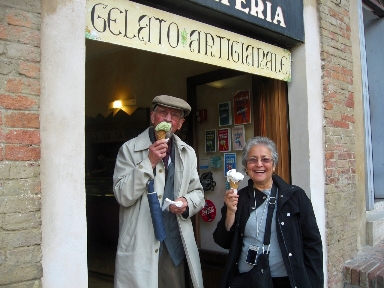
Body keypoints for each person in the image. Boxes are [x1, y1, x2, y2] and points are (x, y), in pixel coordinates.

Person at [113, 95, 205, 288]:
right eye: (163, 112)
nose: (168, 119)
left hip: (173, 247)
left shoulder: (188, 153)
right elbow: (122, 195)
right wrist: (150, 162)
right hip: (141, 245)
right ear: (153, 117)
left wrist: (187, 202)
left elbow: (197, 192)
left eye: (174, 115)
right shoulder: (129, 149)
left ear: (180, 124)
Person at [213, 136, 323, 288]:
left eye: (265, 159)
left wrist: (314, 282)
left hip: (284, 280)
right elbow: (222, 241)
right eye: (253, 160)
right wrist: (231, 211)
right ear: (246, 166)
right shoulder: (239, 198)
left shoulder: (295, 197)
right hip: (247, 280)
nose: (259, 164)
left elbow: (312, 244)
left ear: (274, 165)